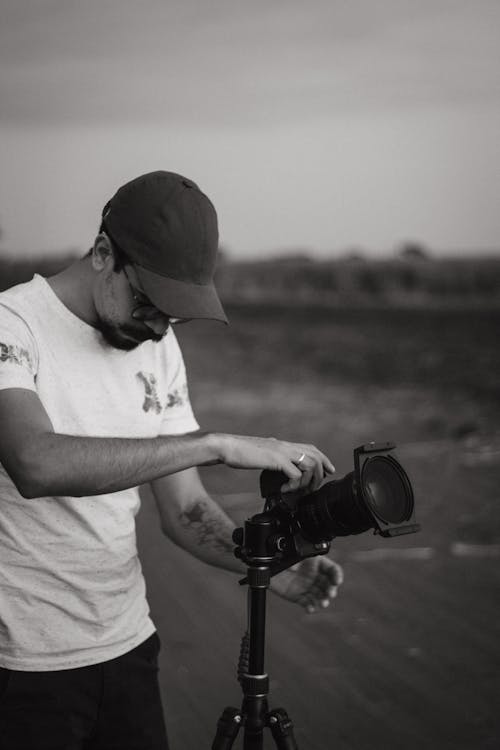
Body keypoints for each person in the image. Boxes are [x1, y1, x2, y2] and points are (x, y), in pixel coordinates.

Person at [0, 170, 343, 749]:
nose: (160, 330)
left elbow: (185, 510)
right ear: (104, 253)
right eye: (150, 305)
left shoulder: (157, 348)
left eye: (175, 316)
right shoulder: (14, 327)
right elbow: (36, 463)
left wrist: (270, 567)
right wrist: (216, 444)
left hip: (128, 648)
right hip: (21, 669)